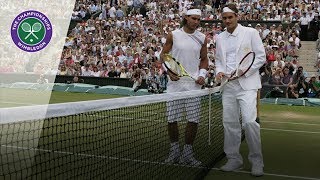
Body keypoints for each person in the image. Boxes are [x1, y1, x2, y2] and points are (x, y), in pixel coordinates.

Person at [215, 4, 265, 177]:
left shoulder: (250, 33)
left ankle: (257, 162)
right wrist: (219, 71)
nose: (227, 20)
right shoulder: (219, 37)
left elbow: (260, 57)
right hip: (227, 85)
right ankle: (234, 159)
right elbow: (219, 60)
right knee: (229, 124)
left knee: (250, 122)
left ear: (237, 16)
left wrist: (244, 72)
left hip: (247, 85)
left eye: (230, 17)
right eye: (224, 18)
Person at [160, 9, 208, 166]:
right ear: (186, 18)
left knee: (193, 120)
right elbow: (164, 56)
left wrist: (202, 74)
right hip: (175, 84)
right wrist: (169, 71)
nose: (196, 21)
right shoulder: (173, 34)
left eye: (198, 19)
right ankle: (174, 152)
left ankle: (187, 154)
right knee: (172, 119)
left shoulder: (202, 38)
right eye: (193, 18)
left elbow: (204, 59)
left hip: (193, 85)